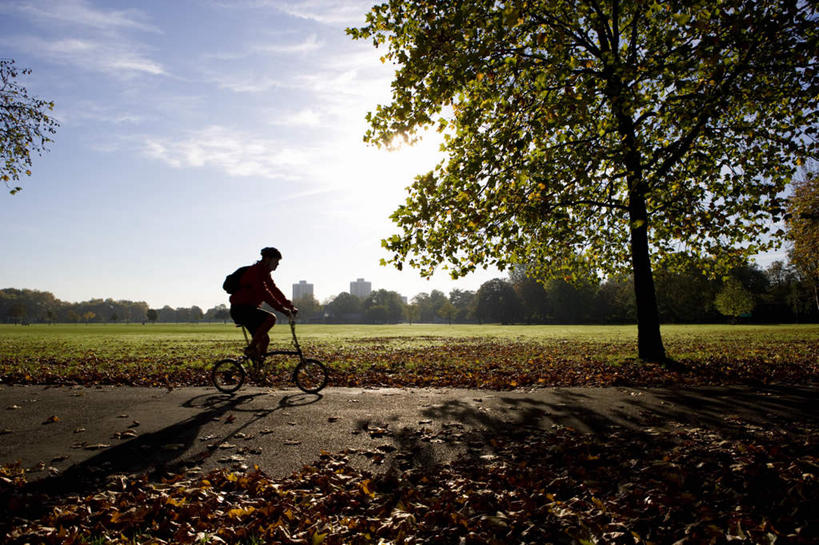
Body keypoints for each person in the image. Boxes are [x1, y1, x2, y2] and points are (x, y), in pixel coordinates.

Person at [229, 247, 298, 360]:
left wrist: (290, 306)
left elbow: (274, 291)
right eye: (276, 261)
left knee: (264, 340)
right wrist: (282, 310)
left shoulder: (265, 274)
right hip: (241, 309)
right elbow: (265, 294)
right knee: (271, 318)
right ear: (267, 259)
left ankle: (258, 368)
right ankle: (250, 348)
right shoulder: (255, 272)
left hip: (249, 309)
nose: (277, 264)